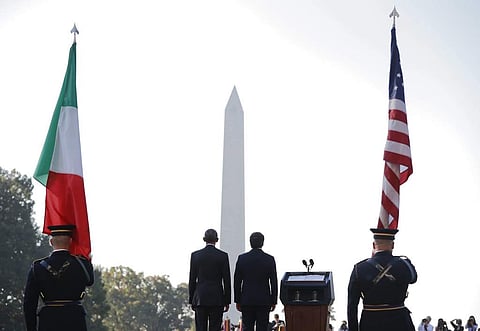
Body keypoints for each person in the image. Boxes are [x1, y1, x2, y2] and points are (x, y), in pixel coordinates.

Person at [23, 224, 94, 331]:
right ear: (70, 241)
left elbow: (29, 304)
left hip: (48, 321)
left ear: (51, 242)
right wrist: (88, 262)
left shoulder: (37, 268)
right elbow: (90, 281)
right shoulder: (82, 264)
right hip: (75, 321)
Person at [347, 228, 417, 331]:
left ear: (373, 245)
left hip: (370, 323)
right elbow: (413, 278)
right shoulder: (404, 264)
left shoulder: (359, 269)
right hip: (400, 323)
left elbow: (352, 305)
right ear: (393, 245)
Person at [234, 232, 278, 331]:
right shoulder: (269, 259)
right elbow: (274, 281)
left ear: (250, 243)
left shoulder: (242, 259)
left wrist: (238, 300)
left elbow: (237, 281)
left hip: (247, 300)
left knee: (247, 328)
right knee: (262, 328)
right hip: (264, 301)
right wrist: (273, 300)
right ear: (262, 243)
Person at [189, 229, 231, 331]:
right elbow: (226, 280)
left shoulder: (195, 255)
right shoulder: (223, 256)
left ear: (205, 239)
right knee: (215, 328)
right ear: (216, 240)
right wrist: (227, 300)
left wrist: (192, 299)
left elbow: (192, 279)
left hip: (200, 298)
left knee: (200, 328)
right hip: (217, 298)